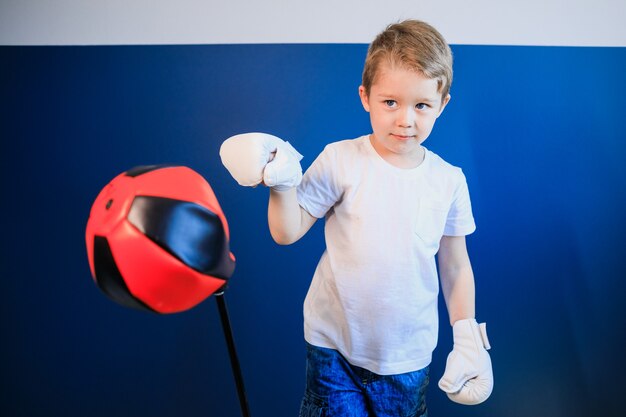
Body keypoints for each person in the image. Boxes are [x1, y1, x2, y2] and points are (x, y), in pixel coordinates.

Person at [220, 19, 493, 417]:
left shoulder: (449, 180)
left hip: (407, 356)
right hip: (333, 346)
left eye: (421, 105)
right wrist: (281, 185)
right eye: (390, 102)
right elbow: (286, 231)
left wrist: (467, 333)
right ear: (365, 97)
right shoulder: (340, 159)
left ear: (443, 103)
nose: (405, 120)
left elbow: (454, 264)